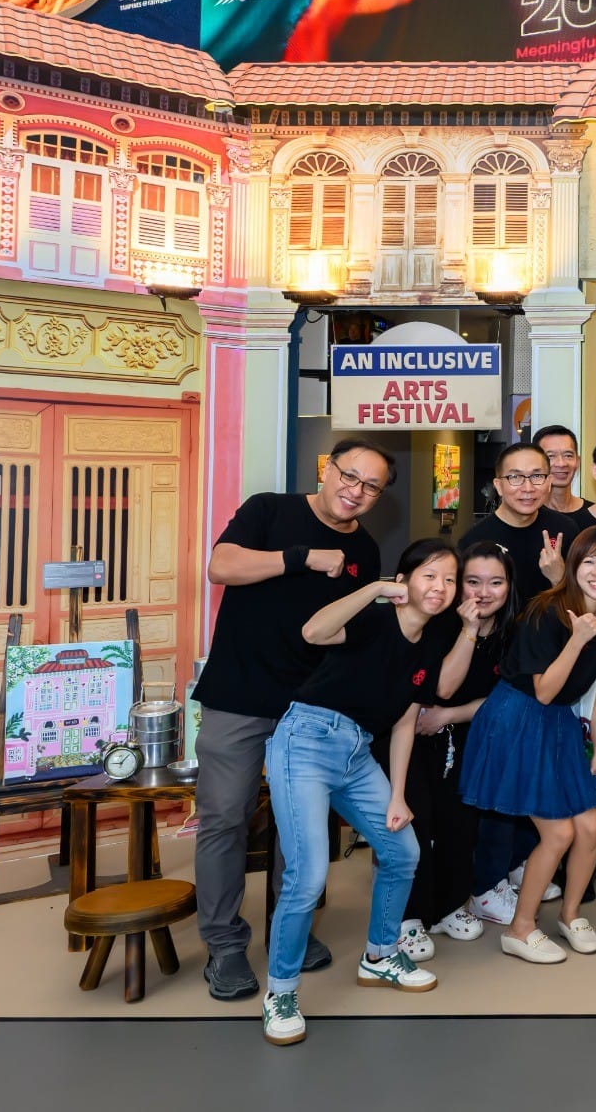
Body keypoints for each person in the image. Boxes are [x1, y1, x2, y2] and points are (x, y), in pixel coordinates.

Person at [193, 438, 393, 1002]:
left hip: (311, 706)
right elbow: (221, 566)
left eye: (370, 486)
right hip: (239, 694)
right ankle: (226, 944)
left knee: (299, 829)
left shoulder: (368, 553)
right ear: (325, 469)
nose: (355, 491)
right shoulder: (269, 509)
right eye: (348, 476)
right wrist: (300, 557)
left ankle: (293, 930)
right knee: (225, 818)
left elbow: (349, 634)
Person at [263, 539, 478, 1045]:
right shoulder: (374, 618)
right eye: (430, 575)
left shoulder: (430, 642)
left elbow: (406, 724)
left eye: (450, 579)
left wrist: (398, 795)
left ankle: (381, 955)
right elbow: (313, 631)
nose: (441, 587)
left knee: (403, 850)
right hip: (306, 742)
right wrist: (375, 589)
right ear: (404, 581)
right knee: (309, 875)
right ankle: (281, 991)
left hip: (359, 754)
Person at [460, 527, 596, 965]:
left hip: (561, 724)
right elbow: (546, 691)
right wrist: (577, 639)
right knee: (559, 832)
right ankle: (520, 928)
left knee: (590, 827)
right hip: (518, 719)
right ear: (572, 566)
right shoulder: (545, 611)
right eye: (589, 561)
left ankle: (570, 916)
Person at [388, 540, 515, 961]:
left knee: (460, 823)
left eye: (495, 582)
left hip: (469, 736)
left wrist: (449, 715)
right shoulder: (442, 622)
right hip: (414, 736)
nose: (482, 592)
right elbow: (440, 686)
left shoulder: (514, 630)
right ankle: (407, 918)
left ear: (509, 586)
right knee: (417, 823)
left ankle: (447, 906)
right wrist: (468, 630)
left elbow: (507, 698)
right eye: (471, 581)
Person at [461, 441, 572, 600]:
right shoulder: (474, 541)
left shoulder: (565, 529)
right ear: (498, 486)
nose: (528, 488)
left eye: (537, 476)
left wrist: (559, 578)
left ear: (549, 483)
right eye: (515, 477)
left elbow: (580, 603)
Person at [534, 424, 586, 514]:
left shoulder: (595, 514)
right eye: (551, 456)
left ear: (578, 462)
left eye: (568, 455)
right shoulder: (527, 515)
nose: (561, 464)